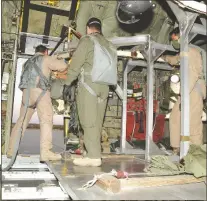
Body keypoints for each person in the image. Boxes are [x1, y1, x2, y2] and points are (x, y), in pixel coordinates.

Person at [63, 17, 116, 166]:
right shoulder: (110, 44)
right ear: (100, 28)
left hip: (89, 85)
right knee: (97, 121)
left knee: (87, 121)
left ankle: (93, 157)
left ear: (88, 28)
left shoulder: (87, 40)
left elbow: (77, 63)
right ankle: (91, 152)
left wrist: (68, 83)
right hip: (105, 87)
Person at [7, 45, 68, 162]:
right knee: (46, 120)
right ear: (45, 52)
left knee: (21, 121)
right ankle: (46, 153)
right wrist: (59, 58)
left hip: (26, 93)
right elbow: (63, 67)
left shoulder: (27, 62)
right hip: (40, 92)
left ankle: (11, 151)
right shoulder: (46, 58)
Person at [163, 27, 206, 155]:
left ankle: (197, 154)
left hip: (193, 90)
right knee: (175, 118)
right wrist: (164, 57)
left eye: (174, 38)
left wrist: (184, 94)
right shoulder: (184, 51)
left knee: (193, 123)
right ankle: (177, 149)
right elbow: (175, 59)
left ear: (180, 36)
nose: (173, 41)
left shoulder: (191, 51)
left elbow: (192, 73)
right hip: (188, 91)